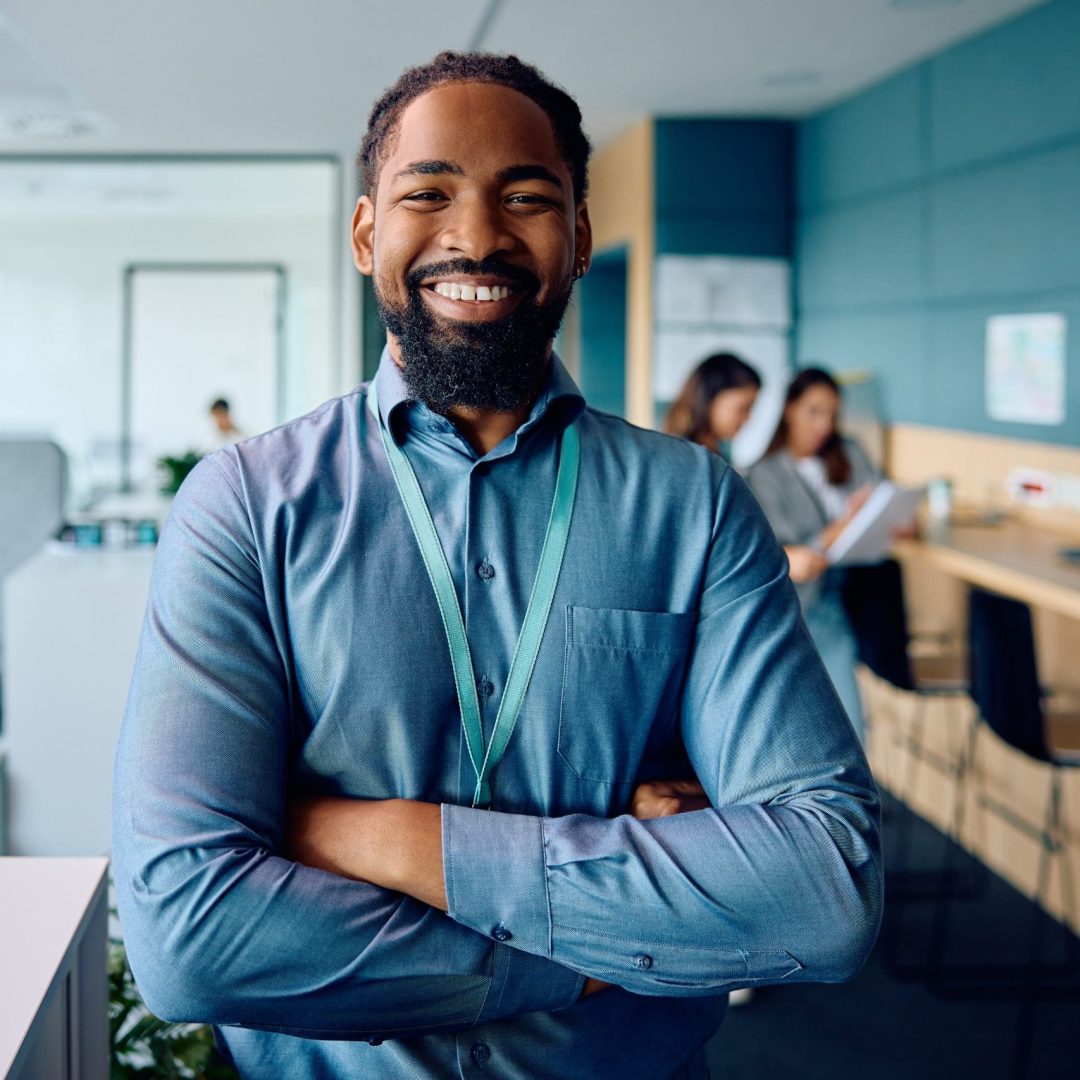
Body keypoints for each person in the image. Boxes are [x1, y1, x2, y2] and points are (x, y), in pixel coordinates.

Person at [113, 53, 881, 1080]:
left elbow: (821, 891)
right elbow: (190, 936)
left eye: (526, 198)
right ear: (364, 233)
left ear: (580, 240)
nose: (474, 236)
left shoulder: (692, 506)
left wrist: (374, 837)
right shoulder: (246, 506)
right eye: (427, 194)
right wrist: (588, 951)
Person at [745, 367, 879, 738]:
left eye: (832, 414)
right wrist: (848, 522)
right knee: (831, 727)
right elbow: (792, 558)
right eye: (814, 411)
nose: (825, 424)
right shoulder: (764, 475)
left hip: (861, 596)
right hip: (809, 605)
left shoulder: (850, 454)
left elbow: (881, 504)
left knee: (850, 729)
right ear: (790, 409)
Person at [663, 352, 761, 458]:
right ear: (710, 399)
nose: (747, 418)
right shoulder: (679, 456)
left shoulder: (717, 454)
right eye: (743, 408)